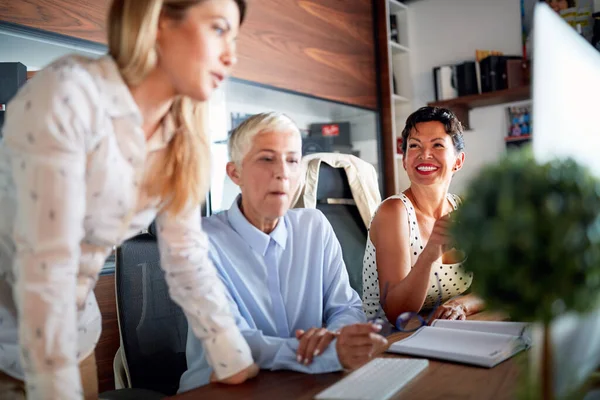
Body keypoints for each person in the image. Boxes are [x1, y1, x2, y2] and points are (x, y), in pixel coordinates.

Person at [0, 1, 259, 399]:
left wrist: (233, 358)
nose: (233, 55)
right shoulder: (68, 93)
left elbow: (187, 257)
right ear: (158, 22)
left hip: (73, 338)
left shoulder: (180, 135)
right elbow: (45, 268)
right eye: (219, 29)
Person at [178, 112, 388, 393]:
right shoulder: (200, 241)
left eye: (292, 160)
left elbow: (347, 306)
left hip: (304, 382)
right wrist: (329, 353)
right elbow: (235, 342)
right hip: (222, 389)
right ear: (235, 173)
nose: (283, 172)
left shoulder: (315, 226)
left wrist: (334, 335)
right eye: (267, 159)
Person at [362, 107, 484, 327]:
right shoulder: (393, 212)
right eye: (414, 146)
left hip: (444, 333)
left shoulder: (463, 209)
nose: (424, 154)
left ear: (458, 160)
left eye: (437, 145)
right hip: (388, 340)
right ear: (405, 161)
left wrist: (460, 305)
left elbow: (491, 289)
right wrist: (429, 254)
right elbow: (397, 314)